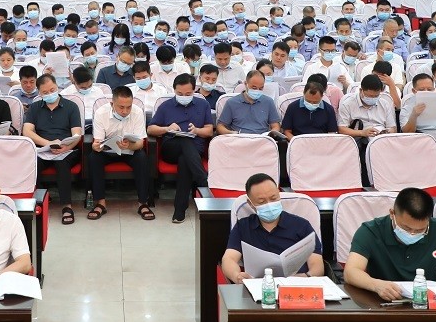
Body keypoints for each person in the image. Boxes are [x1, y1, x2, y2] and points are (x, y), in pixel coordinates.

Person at [343, 187, 436, 301]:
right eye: (406, 228)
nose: (412, 233)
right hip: (382, 302)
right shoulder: (371, 231)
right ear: (392, 213)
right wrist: (377, 285)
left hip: (426, 304)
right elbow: (351, 271)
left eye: (420, 230)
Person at [221, 173, 325, 283]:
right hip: (258, 286)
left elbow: (317, 265)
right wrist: (236, 276)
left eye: (273, 198)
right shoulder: (243, 226)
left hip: (297, 285)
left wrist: (306, 277)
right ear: (251, 204)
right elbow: (229, 259)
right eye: (262, 202)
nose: (269, 205)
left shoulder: (302, 225)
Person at [148, 74, 214, 223]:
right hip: (171, 148)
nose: (184, 97)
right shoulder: (165, 106)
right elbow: (151, 129)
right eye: (180, 93)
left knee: (185, 160)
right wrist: (167, 129)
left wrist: (197, 131)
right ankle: (203, 181)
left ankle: (180, 209)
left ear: (194, 90)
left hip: (194, 151)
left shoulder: (203, 105)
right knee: (184, 141)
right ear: (174, 90)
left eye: (188, 94)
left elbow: (209, 131)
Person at [22, 75, 83, 225]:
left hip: (66, 148)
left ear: (57, 87)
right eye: (45, 92)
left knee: (62, 164)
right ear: (39, 93)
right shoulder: (35, 107)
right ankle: (35, 202)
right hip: (42, 148)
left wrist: (66, 147)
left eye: (52, 90)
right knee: (32, 163)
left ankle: (67, 206)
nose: (50, 94)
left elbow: (77, 134)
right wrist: (48, 144)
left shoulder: (71, 106)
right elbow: (27, 131)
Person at [88, 86, 152, 221]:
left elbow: (141, 143)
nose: (125, 111)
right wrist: (96, 146)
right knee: (94, 157)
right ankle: (100, 203)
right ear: (112, 103)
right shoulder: (101, 113)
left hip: (130, 150)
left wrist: (130, 145)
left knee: (142, 157)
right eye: (121, 107)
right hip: (107, 151)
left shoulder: (137, 112)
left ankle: (143, 203)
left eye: (128, 107)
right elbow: (97, 141)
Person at [337, 74, 397, 186]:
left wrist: (386, 132)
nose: (373, 98)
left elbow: (393, 128)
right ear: (361, 91)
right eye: (369, 96)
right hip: (359, 139)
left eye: (376, 96)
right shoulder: (348, 104)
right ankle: (368, 184)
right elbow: (342, 129)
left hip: (382, 140)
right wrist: (362, 133)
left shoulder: (384, 103)